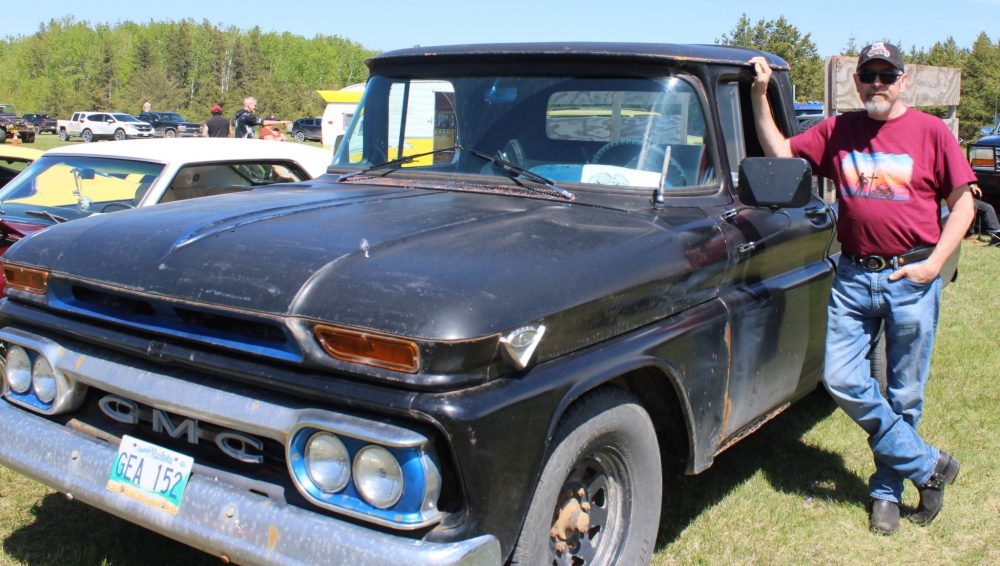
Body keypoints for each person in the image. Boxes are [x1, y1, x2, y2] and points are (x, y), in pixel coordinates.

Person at [749, 42, 975, 536]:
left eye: (886, 76)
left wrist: (935, 264)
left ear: (903, 81)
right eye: (868, 75)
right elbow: (782, 153)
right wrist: (760, 95)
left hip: (910, 277)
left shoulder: (932, 132)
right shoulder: (839, 130)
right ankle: (930, 465)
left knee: (904, 392)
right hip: (853, 277)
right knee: (841, 379)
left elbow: (964, 205)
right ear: (858, 82)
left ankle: (886, 493)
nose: (877, 84)